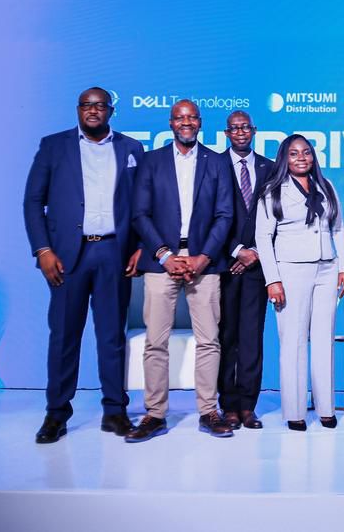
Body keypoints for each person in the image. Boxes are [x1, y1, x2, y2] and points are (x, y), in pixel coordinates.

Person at [23, 87, 144, 444]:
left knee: (111, 338)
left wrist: (137, 247)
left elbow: (139, 205)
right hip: (66, 257)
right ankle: (56, 414)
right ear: (78, 110)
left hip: (113, 254)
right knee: (63, 337)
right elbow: (33, 202)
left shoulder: (131, 149)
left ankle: (115, 412)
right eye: (87, 105)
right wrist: (43, 250)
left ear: (111, 111)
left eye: (100, 105)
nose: (93, 111)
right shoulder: (53, 146)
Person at [126, 99, 234, 442]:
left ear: (200, 123)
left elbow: (225, 215)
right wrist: (163, 254)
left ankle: (208, 411)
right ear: (171, 123)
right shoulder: (151, 161)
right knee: (155, 341)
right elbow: (139, 213)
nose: (186, 123)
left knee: (209, 340)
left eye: (192, 118)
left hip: (205, 260)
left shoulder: (216, 162)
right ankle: (155, 414)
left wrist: (203, 257)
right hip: (162, 260)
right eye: (179, 118)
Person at [255, 135, 344, 431]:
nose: (301, 157)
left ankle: (325, 408)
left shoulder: (327, 187)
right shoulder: (272, 191)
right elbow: (262, 238)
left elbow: (337, 230)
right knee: (293, 342)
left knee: (324, 340)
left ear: (313, 156)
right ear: (285, 157)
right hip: (291, 271)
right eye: (294, 153)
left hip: (326, 268)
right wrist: (273, 280)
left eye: (306, 152)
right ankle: (295, 411)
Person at [217, 110, 272, 430]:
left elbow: (276, 218)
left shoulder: (269, 167)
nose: (240, 132)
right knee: (226, 338)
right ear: (227, 133)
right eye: (234, 128)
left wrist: (256, 254)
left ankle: (248, 406)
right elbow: (206, 214)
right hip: (223, 266)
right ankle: (228, 405)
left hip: (257, 268)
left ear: (253, 130)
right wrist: (237, 250)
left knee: (252, 338)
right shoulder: (212, 164)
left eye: (245, 127)